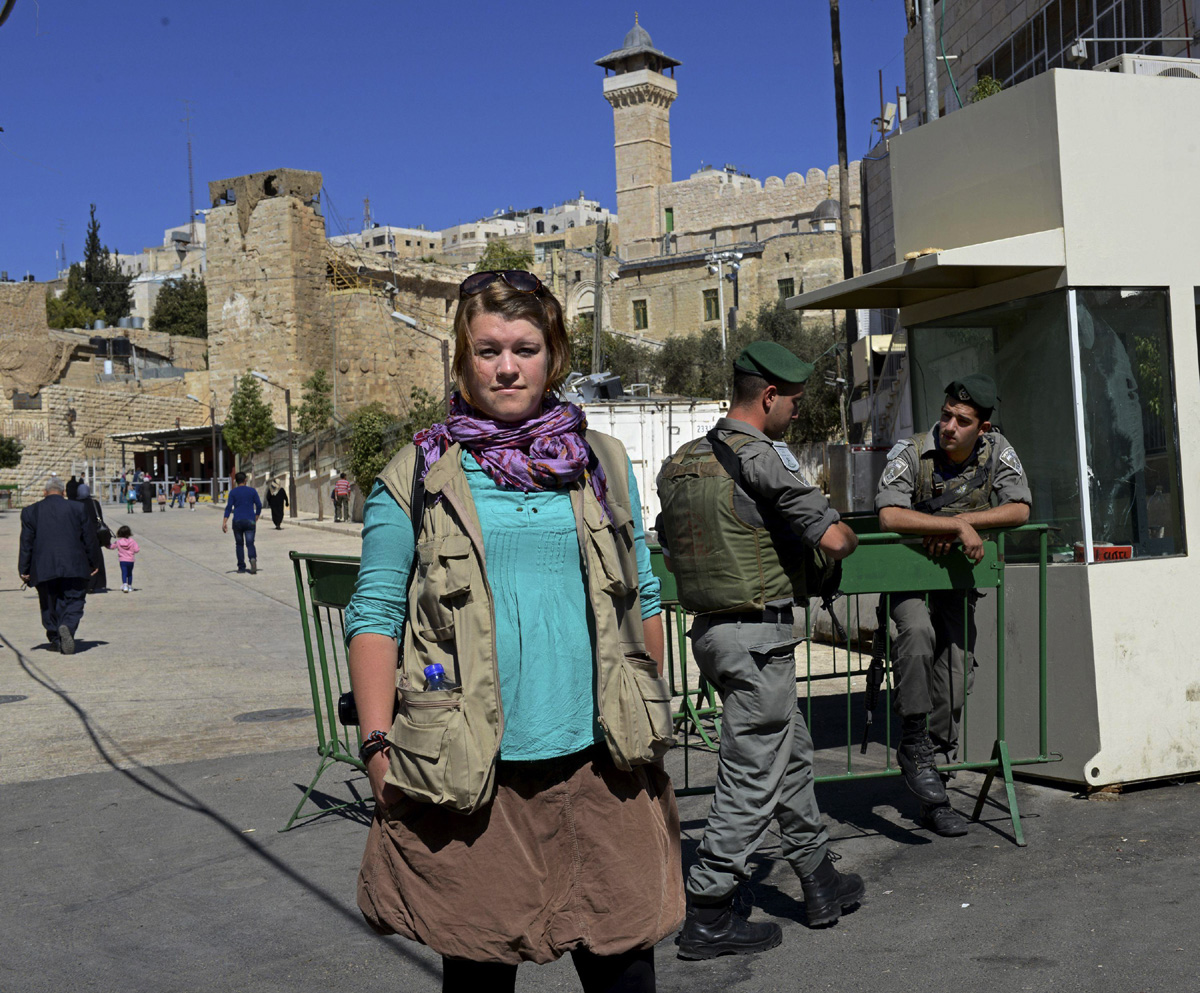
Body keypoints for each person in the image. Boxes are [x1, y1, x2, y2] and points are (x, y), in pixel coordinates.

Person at [346, 269, 683, 991]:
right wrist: (378, 750)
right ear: (463, 361)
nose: (506, 366)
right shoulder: (417, 473)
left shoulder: (603, 463)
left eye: (525, 347)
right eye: (488, 349)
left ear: (553, 354)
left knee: (627, 972)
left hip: (604, 767)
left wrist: (645, 710)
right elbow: (375, 615)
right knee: (479, 981)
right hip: (474, 777)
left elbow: (643, 594)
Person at [657, 340, 865, 959]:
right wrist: (846, 533)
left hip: (716, 636)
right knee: (753, 772)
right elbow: (832, 539)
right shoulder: (763, 458)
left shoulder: (680, 462)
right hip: (759, 639)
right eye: (794, 402)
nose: (797, 413)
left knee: (788, 754)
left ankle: (818, 876)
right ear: (768, 397)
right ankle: (710, 907)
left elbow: (673, 546)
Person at [874, 374, 1031, 837]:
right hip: (909, 581)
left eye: (962, 420)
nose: (949, 426)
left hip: (957, 584)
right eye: (945, 415)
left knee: (957, 673)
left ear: (981, 428)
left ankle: (934, 784)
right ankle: (914, 743)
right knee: (918, 636)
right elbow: (889, 514)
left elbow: (1020, 507)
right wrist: (952, 529)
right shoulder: (911, 452)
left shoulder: (997, 450)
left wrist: (960, 521)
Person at [18, 475, 101, 654]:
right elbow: (89, 538)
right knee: (74, 599)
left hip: (43, 566)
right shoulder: (78, 508)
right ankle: (67, 626)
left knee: (49, 603)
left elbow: (26, 543)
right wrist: (94, 562)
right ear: (63, 492)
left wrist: (24, 569)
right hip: (74, 564)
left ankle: (56, 639)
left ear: (44, 492)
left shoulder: (30, 511)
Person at [222, 471, 262, 574]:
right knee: (250, 543)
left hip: (237, 521)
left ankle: (241, 567)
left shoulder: (233, 492)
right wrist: (256, 516)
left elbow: (228, 508)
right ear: (245, 480)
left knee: (239, 544)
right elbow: (259, 505)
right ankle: (252, 559)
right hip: (250, 520)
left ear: (235, 481)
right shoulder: (252, 491)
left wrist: (224, 522)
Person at [108, 525, 140, 592]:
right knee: (130, 573)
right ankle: (130, 586)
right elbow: (137, 550)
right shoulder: (132, 541)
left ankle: (125, 585)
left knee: (124, 573)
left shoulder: (118, 542)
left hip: (122, 560)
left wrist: (105, 544)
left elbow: (111, 547)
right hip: (131, 560)